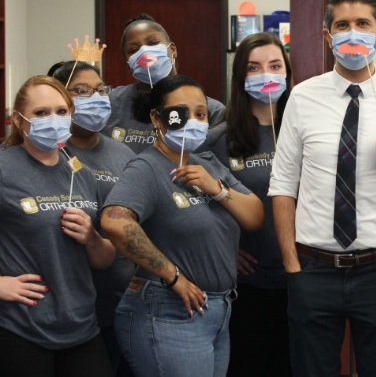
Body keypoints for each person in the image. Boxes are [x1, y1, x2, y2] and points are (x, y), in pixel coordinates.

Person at [268, 0, 376, 377]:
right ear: (328, 37)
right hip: (313, 268)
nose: (352, 32)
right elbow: (282, 185)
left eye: (363, 23)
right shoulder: (302, 97)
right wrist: (292, 267)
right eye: (342, 25)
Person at [99, 75, 264, 377]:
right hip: (169, 310)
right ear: (156, 117)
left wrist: (217, 189)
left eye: (200, 114)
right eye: (181, 112)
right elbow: (114, 221)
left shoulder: (208, 163)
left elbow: (255, 215)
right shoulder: (147, 167)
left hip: (218, 312)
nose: (193, 121)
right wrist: (172, 276)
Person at [0, 76, 115, 376]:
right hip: (21, 328)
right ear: (18, 120)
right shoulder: (4, 169)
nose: (53, 120)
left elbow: (104, 259)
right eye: (40, 113)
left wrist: (91, 237)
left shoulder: (81, 173)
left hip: (82, 326)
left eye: (61, 112)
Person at [201, 32, 293, 375]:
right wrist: (224, 248)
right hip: (247, 284)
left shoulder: (304, 129)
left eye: (274, 65)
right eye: (254, 68)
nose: (265, 74)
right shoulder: (220, 138)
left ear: (287, 72)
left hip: (303, 278)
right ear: (240, 76)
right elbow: (192, 202)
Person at [48, 60, 137, 375]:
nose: (96, 98)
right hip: (64, 304)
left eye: (101, 90)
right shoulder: (46, 152)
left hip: (121, 300)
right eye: (82, 92)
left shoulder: (123, 154)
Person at [101, 13, 225, 154]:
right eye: (133, 50)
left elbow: (220, 166)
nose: (145, 52)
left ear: (173, 50)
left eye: (153, 43)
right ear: (128, 64)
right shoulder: (111, 104)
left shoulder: (212, 111)